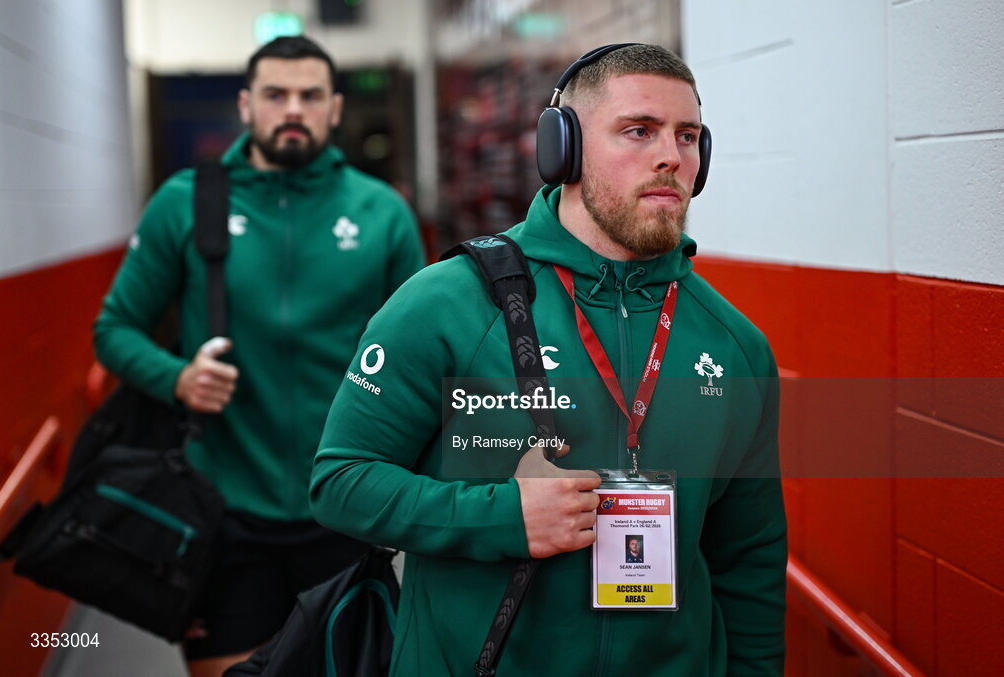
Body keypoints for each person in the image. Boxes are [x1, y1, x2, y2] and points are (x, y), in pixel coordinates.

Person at [310, 44, 786, 676]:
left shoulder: (734, 345)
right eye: (638, 131)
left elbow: (748, 561)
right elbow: (341, 482)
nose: (672, 156)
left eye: (688, 136)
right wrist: (504, 517)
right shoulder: (447, 304)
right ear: (563, 149)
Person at [94, 36, 425, 677]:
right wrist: (177, 377)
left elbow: (422, 358)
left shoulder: (383, 213)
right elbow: (115, 329)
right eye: (276, 94)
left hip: (344, 506)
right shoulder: (185, 202)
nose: (292, 109)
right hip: (223, 513)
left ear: (334, 109)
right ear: (246, 106)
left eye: (310, 95)